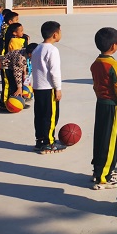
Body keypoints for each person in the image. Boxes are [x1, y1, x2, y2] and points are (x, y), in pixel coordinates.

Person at [90, 27, 117, 190]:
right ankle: (104, 177)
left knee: (100, 138)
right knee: (111, 141)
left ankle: (98, 170)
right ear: (113, 46)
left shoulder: (95, 63)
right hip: (112, 106)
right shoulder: (114, 65)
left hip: (100, 103)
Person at [32, 21, 64, 154]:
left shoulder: (37, 48)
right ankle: (49, 143)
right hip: (48, 88)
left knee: (39, 115)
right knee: (50, 116)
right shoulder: (52, 50)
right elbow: (54, 71)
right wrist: (58, 88)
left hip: (38, 87)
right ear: (55, 34)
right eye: (60, 31)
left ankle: (40, 141)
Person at [1, 42, 38, 108]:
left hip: (16, 66)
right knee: (8, 86)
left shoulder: (27, 53)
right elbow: (17, 73)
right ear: (30, 54)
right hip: (6, 67)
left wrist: (24, 74)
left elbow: (25, 64)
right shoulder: (20, 58)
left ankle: (19, 101)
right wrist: (19, 87)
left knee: (17, 85)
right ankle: (3, 104)